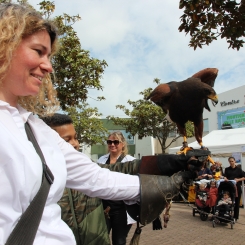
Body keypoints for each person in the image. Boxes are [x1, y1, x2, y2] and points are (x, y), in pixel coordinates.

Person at [0, 3, 209, 245]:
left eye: (49, 56)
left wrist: (166, 174)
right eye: (38, 51)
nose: (48, 66)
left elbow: (97, 178)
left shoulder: (33, 126)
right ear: (6, 45)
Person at [42, 113, 110, 245]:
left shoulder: (87, 165)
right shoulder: (38, 178)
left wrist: (155, 164)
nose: (75, 144)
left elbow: (117, 171)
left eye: (75, 138)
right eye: (66, 140)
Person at [97, 131, 135, 245]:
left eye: (116, 142)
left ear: (122, 144)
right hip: (104, 208)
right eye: (109, 142)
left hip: (122, 209)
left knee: (119, 241)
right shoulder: (101, 160)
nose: (112, 144)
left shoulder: (130, 161)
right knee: (100, 238)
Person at [223, 156, 245, 221]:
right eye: (230, 161)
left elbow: (244, 177)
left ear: (234, 161)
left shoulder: (239, 169)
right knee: (228, 201)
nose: (231, 162)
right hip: (229, 187)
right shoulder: (227, 169)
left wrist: (238, 179)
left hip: (237, 188)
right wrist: (225, 178)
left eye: (232, 161)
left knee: (237, 202)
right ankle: (227, 214)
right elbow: (225, 176)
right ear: (228, 162)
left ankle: (236, 216)